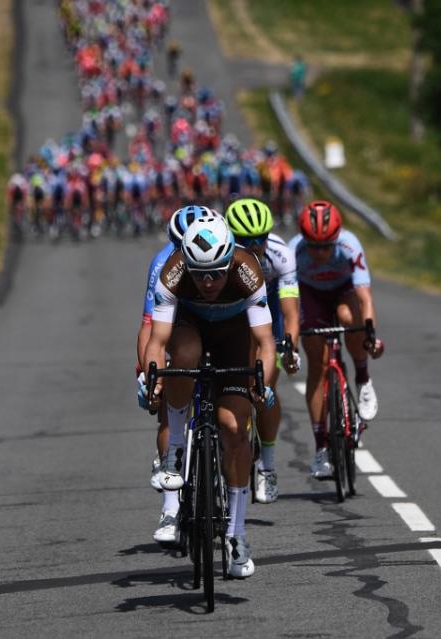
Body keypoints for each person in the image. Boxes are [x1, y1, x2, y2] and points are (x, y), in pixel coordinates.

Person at [142, 215, 277, 579]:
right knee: (182, 356)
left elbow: (265, 342)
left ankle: (237, 534)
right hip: (191, 327)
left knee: (233, 426)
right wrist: (152, 378)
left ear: (229, 260)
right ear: (187, 262)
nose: (208, 282)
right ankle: (173, 456)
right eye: (200, 274)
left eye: (217, 273)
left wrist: (262, 385)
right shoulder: (174, 270)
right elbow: (157, 340)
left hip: (235, 338)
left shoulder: (247, 268)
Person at [135, 205, 220, 544]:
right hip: (177, 323)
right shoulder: (164, 265)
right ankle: (170, 509)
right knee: (170, 412)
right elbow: (148, 328)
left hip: (217, 325)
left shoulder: (221, 255)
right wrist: (147, 373)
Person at [288, 200, 384, 479]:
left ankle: (363, 378)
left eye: (326, 246)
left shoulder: (349, 245)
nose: (320, 252)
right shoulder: (294, 251)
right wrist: (290, 341)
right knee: (316, 364)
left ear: (337, 238)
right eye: (314, 246)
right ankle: (321, 448)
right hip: (311, 295)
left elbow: (365, 297)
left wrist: (369, 335)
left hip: (343, 291)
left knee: (348, 318)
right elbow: (289, 302)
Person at [224, 198, 300, 504]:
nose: (255, 246)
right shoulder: (221, 255)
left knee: (263, 388)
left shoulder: (281, 256)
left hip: (269, 313)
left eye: (261, 239)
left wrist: (290, 347)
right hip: (234, 314)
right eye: (246, 240)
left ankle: (267, 465)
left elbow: (291, 312)